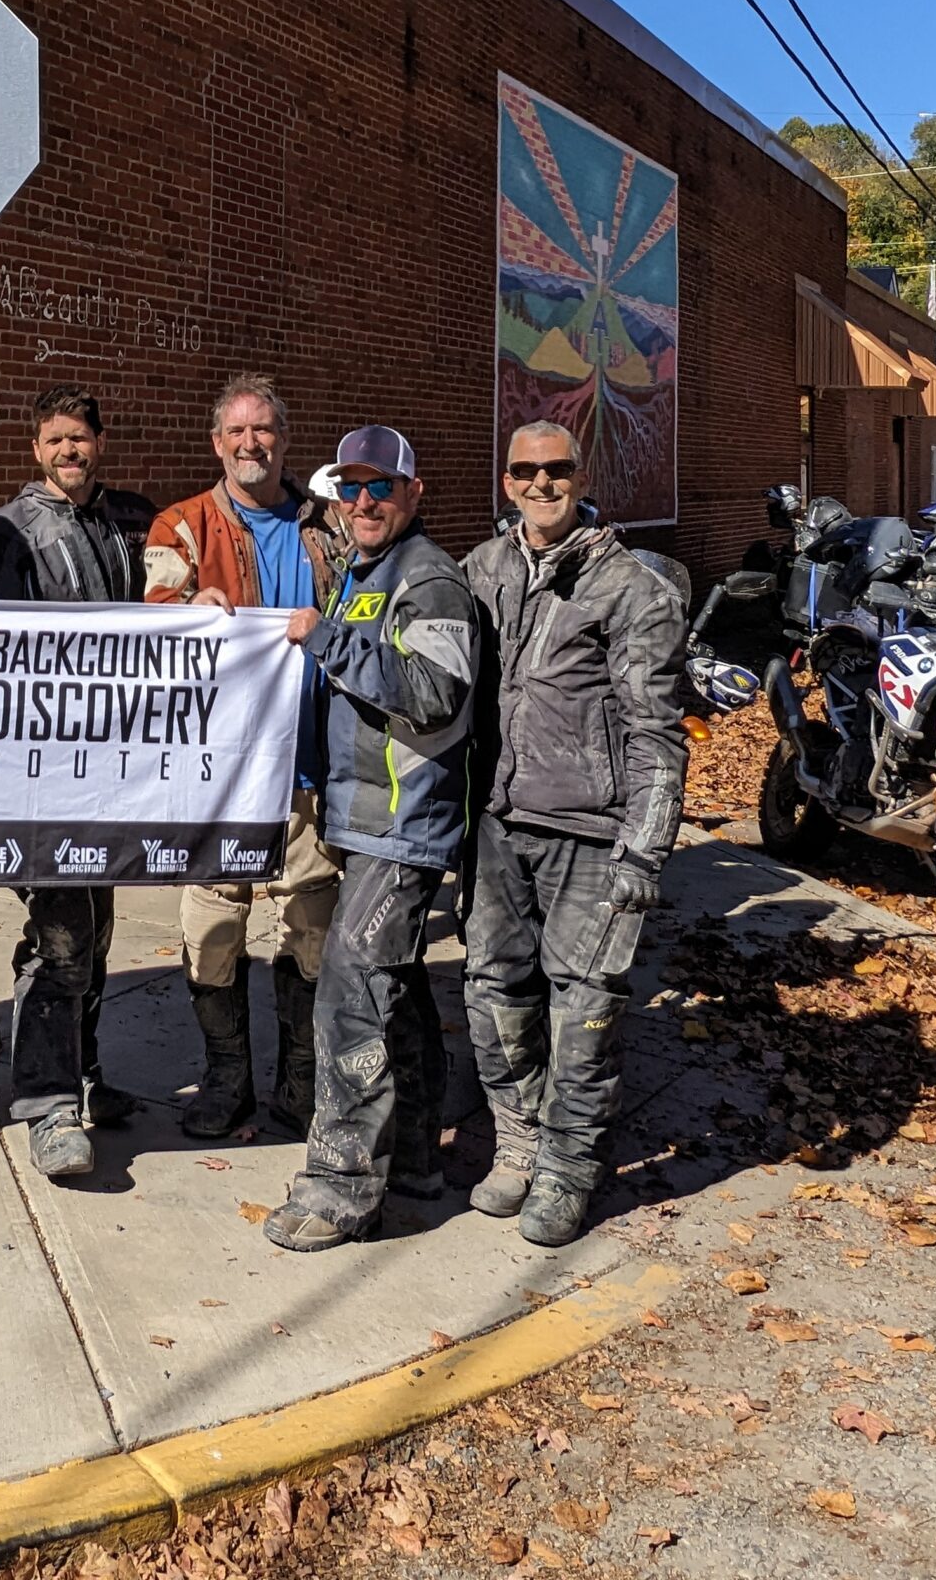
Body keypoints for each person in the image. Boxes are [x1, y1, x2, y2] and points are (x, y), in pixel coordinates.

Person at [461, 421, 688, 1247]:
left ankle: (567, 1166)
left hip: (590, 831)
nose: (541, 484)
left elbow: (657, 730)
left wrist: (645, 846)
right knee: (493, 993)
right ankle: (518, 1140)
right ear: (507, 480)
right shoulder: (482, 570)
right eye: (525, 471)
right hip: (495, 823)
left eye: (556, 469)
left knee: (585, 1006)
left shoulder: (629, 587)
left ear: (581, 475)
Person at [263, 425, 478, 1252]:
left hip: (403, 825)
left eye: (379, 486)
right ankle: (415, 1157)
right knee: (395, 988)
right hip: (363, 820)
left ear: (412, 493)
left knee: (350, 996)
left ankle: (342, 1187)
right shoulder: (363, 573)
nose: (362, 501)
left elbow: (433, 692)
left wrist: (326, 639)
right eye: (349, 487)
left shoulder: (429, 580)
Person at [144, 375, 342, 1139]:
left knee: (311, 927)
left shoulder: (329, 525)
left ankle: (300, 1082)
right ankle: (226, 1080)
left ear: (284, 441)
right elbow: (151, 614)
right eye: (237, 431)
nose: (250, 443)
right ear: (216, 443)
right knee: (214, 926)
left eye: (263, 430)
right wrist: (184, 612)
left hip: (308, 767)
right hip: (220, 777)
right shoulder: (183, 525)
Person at [0, 387, 157, 1181]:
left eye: (79, 438)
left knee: (97, 928)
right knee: (61, 936)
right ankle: (46, 1104)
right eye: (54, 440)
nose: (68, 451)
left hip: (108, 772)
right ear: (35, 449)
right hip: (39, 777)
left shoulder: (125, 525)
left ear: (99, 443)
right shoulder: (5, 533)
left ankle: (81, 1073)